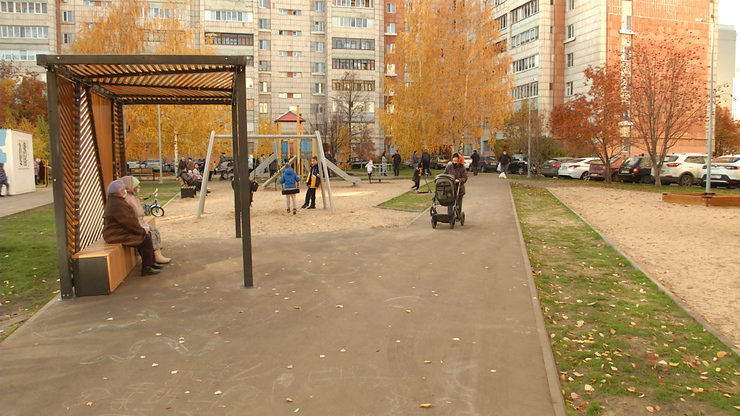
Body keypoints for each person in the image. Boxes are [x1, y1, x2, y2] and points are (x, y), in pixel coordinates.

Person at [102, 180, 161, 276]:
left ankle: (150, 263)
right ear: (120, 191)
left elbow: (129, 221)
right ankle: (147, 267)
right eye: (123, 189)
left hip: (117, 232)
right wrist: (141, 231)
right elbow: (129, 222)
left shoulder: (115, 201)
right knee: (144, 239)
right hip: (116, 234)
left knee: (145, 237)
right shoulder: (117, 204)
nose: (125, 191)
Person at [120, 176, 171, 264]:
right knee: (149, 233)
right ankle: (154, 257)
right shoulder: (127, 199)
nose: (139, 187)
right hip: (134, 225)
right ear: (130, 186)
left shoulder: (133, 197)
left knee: (154, 230)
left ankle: (157, 254)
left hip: (140, 223)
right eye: (137, 185)